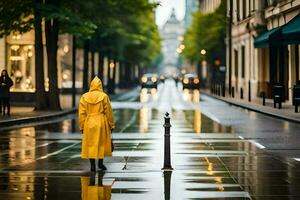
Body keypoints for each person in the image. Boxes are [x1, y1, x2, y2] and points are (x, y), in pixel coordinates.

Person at [78, 76, 115, 171]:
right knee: (101, 143)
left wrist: (81, 126)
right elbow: (109, 112)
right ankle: (100, 163)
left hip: (89, 121)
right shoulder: (104, 96)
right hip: (101, 122)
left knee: (90, 144)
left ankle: (92, 165)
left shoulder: (84, 97)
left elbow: (81, 113)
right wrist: (111, 124)